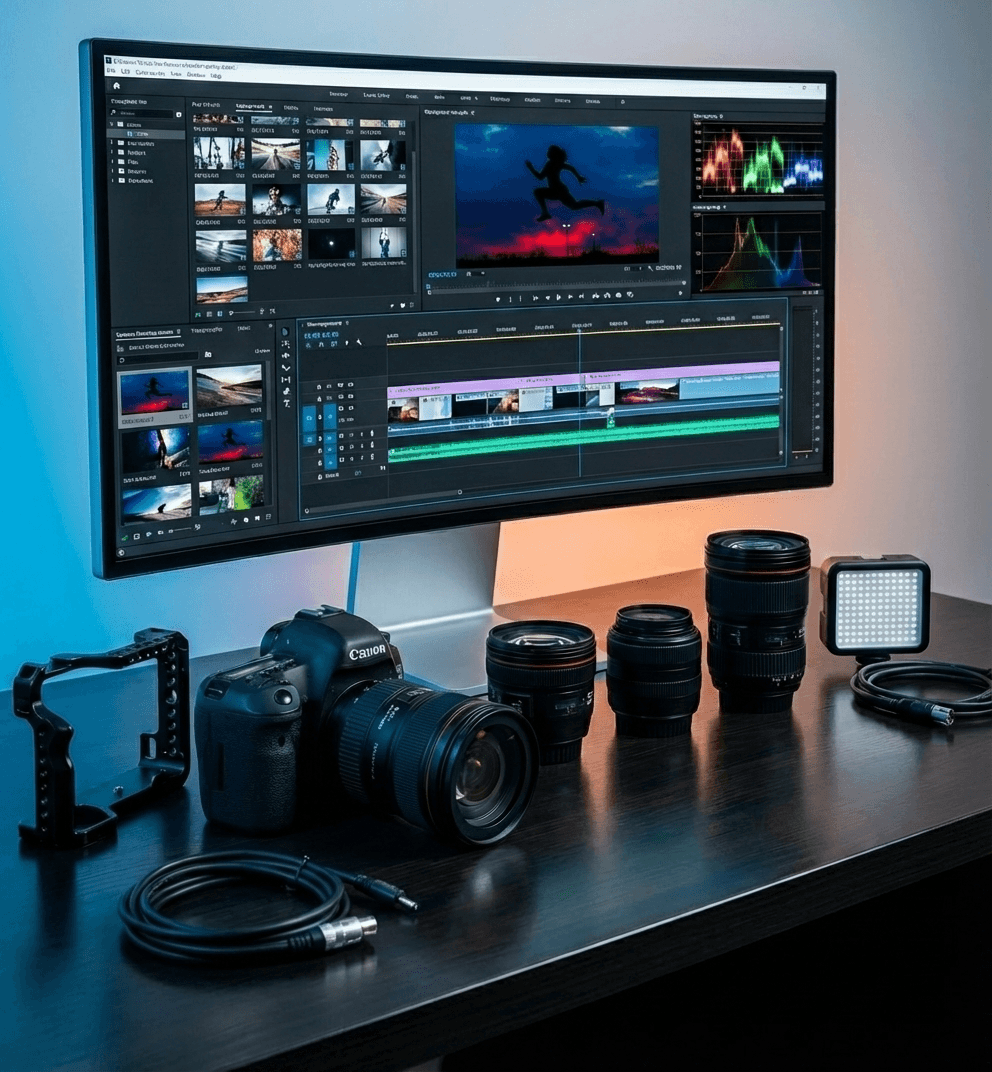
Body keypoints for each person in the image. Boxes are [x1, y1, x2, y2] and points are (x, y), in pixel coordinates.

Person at [525, 145, 605, 222]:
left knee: (538, 192)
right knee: (574, 205)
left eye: (549, 151)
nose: (547, 153)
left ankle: (545, 213)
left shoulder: (552, 163)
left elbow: (540, 177)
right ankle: (597, 203)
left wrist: (531, 168)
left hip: (557, 190)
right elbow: (570, 168)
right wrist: (578, 177)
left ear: (553, 154)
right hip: (559, 190)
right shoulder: (557, 163)